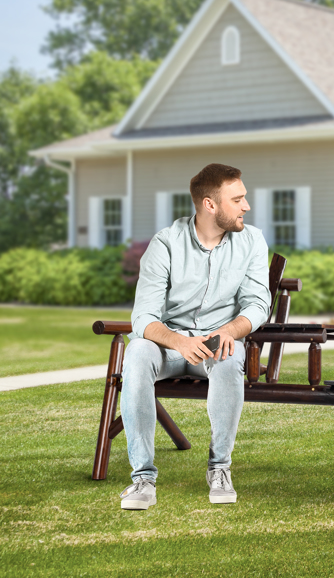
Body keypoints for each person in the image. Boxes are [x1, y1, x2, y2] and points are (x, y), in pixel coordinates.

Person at [119, 163, 271, 511]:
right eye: (238, 199)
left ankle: (219, 469)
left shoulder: (251, 241)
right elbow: (143, 316)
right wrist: (179, 341)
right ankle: (142, 478)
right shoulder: (166, 243)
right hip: (169, 347)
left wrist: (229, 330)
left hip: (218, 343)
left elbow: (258, 302)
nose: (246, 206)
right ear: (209, 204)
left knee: (231, 357)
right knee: (138, 352)